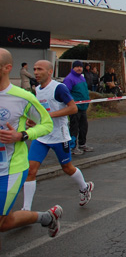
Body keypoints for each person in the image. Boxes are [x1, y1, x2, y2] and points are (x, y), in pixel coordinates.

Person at [0, 48, 62, 244]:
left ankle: (45, 217)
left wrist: (22, 135)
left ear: (7, 68)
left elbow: (47, 124)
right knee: (3, 222)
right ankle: (46, 217)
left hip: (9, 169)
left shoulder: (22, 97)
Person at [22, 60, 94, 211]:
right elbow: (42, 111)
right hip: (42, 137)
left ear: (49, 71)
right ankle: (26, 210)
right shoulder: (38, 89)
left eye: (39, 69)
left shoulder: (58, 88)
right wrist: (34, 120)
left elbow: (73, 108)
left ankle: (84, 187)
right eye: (34, 69)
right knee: (30, 170)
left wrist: (48, 116)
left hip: (59, 136)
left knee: (67, 168)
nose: (35, 72)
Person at [63, 61, 93, 155]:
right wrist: (71, 104)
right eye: (77, 67)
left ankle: (82, 144)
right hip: (74, 108)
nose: (79, 68)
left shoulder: (81, 77)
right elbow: (66, 93)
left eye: (80, 67)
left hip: (83, 107)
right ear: (73, 68)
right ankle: (72, 147)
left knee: (84, 126)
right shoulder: (69, 79)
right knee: (74, 127)